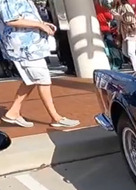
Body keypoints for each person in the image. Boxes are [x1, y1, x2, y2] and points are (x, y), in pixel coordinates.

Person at [0, 0, 79, 128]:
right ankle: (55, 117)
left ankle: (13, 113)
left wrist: (42, 24)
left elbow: (23, 18)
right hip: (25, 48)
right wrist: (39, 25)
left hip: (30, 47)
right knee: (43, 80)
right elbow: (11, 20)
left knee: (32, 80)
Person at [113, 0, 136, 71]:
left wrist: (119, 17)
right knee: (125, 52)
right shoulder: (120, 7)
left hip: (130, 31)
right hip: (125, 33)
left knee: (130, 52)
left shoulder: (126, 6)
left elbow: (130, 19)